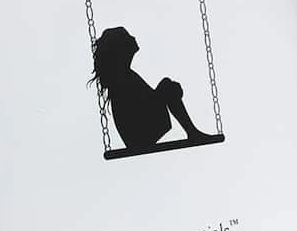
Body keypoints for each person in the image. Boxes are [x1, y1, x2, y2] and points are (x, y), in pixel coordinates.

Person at [90, 26, 219, 150]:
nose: (133, 37)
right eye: (128, 36)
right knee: (167, 85)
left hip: (139, 131)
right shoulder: (121, 78)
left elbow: (145, 99)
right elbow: (142, 103)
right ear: (120, 47)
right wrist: (169, 92)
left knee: (167, 86)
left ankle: (192, 132)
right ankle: (192, 132)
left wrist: (169, 94)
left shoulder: (124, 75)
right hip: (139, 135)